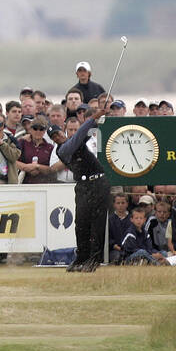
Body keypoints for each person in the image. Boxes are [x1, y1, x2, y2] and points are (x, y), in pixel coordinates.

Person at [57, 96, 112, 271]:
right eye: (68, 130)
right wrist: (92, 119)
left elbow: (90, 134)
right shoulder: (63, 149)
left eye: (75, 129)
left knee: (97, 225)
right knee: (81, 223)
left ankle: (93, 261)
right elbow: (79, 137)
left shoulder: (80, 141)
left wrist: (97, 119)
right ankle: (81, 258)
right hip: (82, 186)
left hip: (99, 184)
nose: (59, 136)